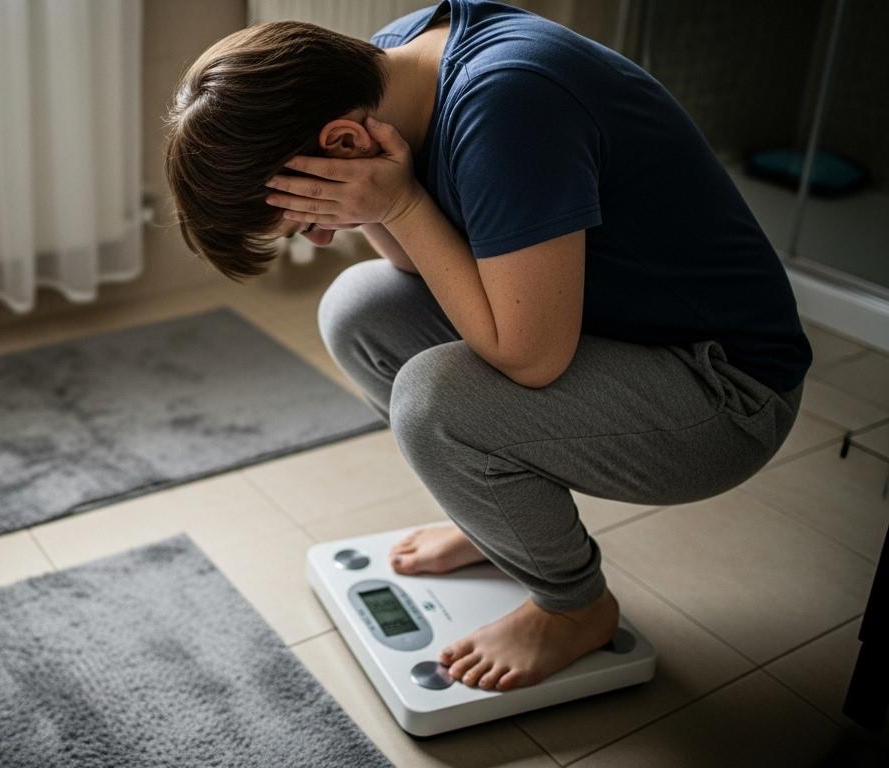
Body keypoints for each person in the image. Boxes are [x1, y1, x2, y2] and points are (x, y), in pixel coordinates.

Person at [164, 0, 810, 692]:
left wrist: (401, 204)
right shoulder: (390, 65)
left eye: (310, 219)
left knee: (436, 403)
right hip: (614, 334)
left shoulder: (507, 106)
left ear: (344, 142)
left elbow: (531, 357)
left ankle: (574, 609)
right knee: (359, 309)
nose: (322, 235)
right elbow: (417, 267)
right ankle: (496, 522)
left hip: (725, 394)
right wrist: (383, 204)